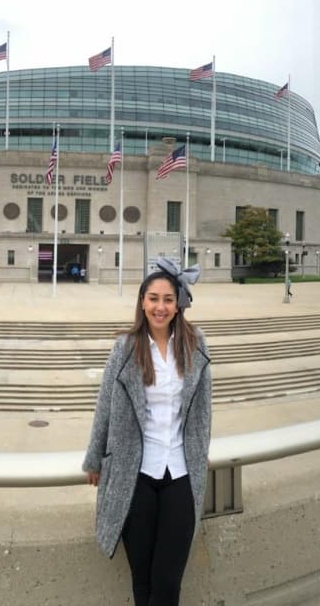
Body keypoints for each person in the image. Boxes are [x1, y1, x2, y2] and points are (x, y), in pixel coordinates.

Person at [82, 257, 212, 606]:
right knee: (142, 582)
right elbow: (105, 407)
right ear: (142, 302)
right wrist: (94, 459)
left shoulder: (196, 345)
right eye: (153, 298)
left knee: (167, 583)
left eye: (168, 299)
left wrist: (201, 456)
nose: (160, 306)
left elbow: (203, 414)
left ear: (178, 304)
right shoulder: (125, 348)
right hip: (133, 474)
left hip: (180, 473)